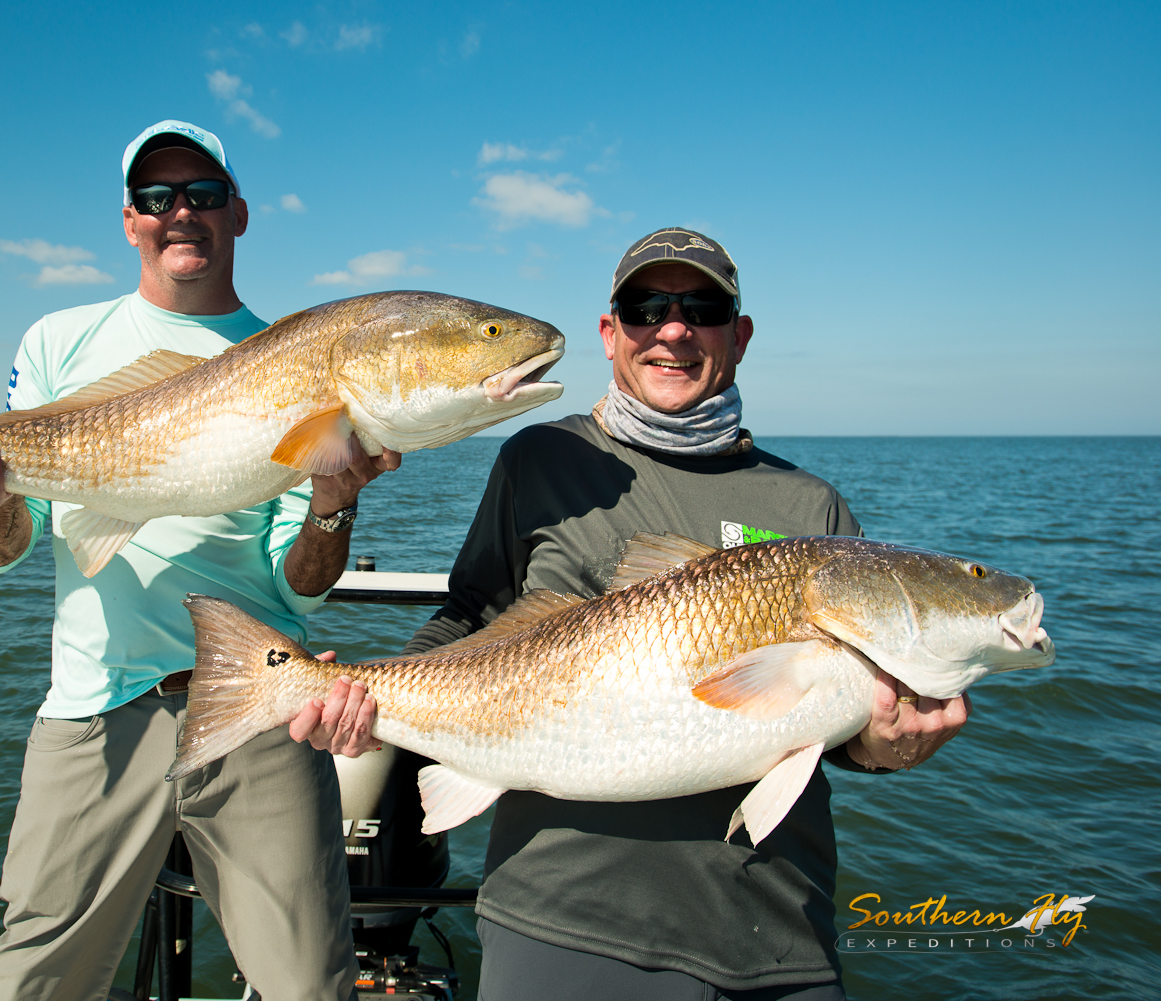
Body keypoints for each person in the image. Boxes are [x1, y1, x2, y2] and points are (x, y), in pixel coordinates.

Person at [398, 228, 970, 1000]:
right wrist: (364, 700)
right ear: (610, 334)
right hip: (560, 919)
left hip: (775, 929)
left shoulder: (809, 506)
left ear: (740, 335)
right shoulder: (540, 459)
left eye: (702, 308)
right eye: (645, 306)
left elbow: (842, 733)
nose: (672, 328)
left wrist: (889, 745)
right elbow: (469, 617)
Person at [0, 120, 385, 1001]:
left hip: (261, 705)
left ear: (239, 214)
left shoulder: (297, 358)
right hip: (96, 705)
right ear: (128, 220)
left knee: (311, 987)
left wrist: (335, 503)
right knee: (34, 982)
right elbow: (12, 543)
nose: (181, 213)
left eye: (203, 195)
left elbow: (301, 582)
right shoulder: (56, 342)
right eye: (157, 197)